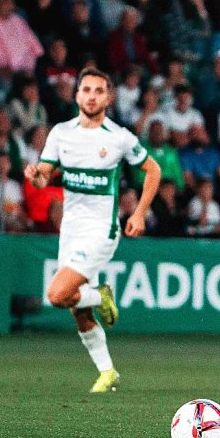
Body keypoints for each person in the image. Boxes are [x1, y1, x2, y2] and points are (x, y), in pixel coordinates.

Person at [24, 68, 162, 394]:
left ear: (108, 98)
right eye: (86, 89)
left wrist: (139, 213)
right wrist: (35, 176)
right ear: (76, 96)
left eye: (99, 91)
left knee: (57, 294)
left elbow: (152, 169)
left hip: (101, 230)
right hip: (70, 229)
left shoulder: (119, 137)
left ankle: (100, 294)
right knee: (76, 306)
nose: (91, 96)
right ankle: (107, 372)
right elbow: (45, 175)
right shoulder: (60, 133)